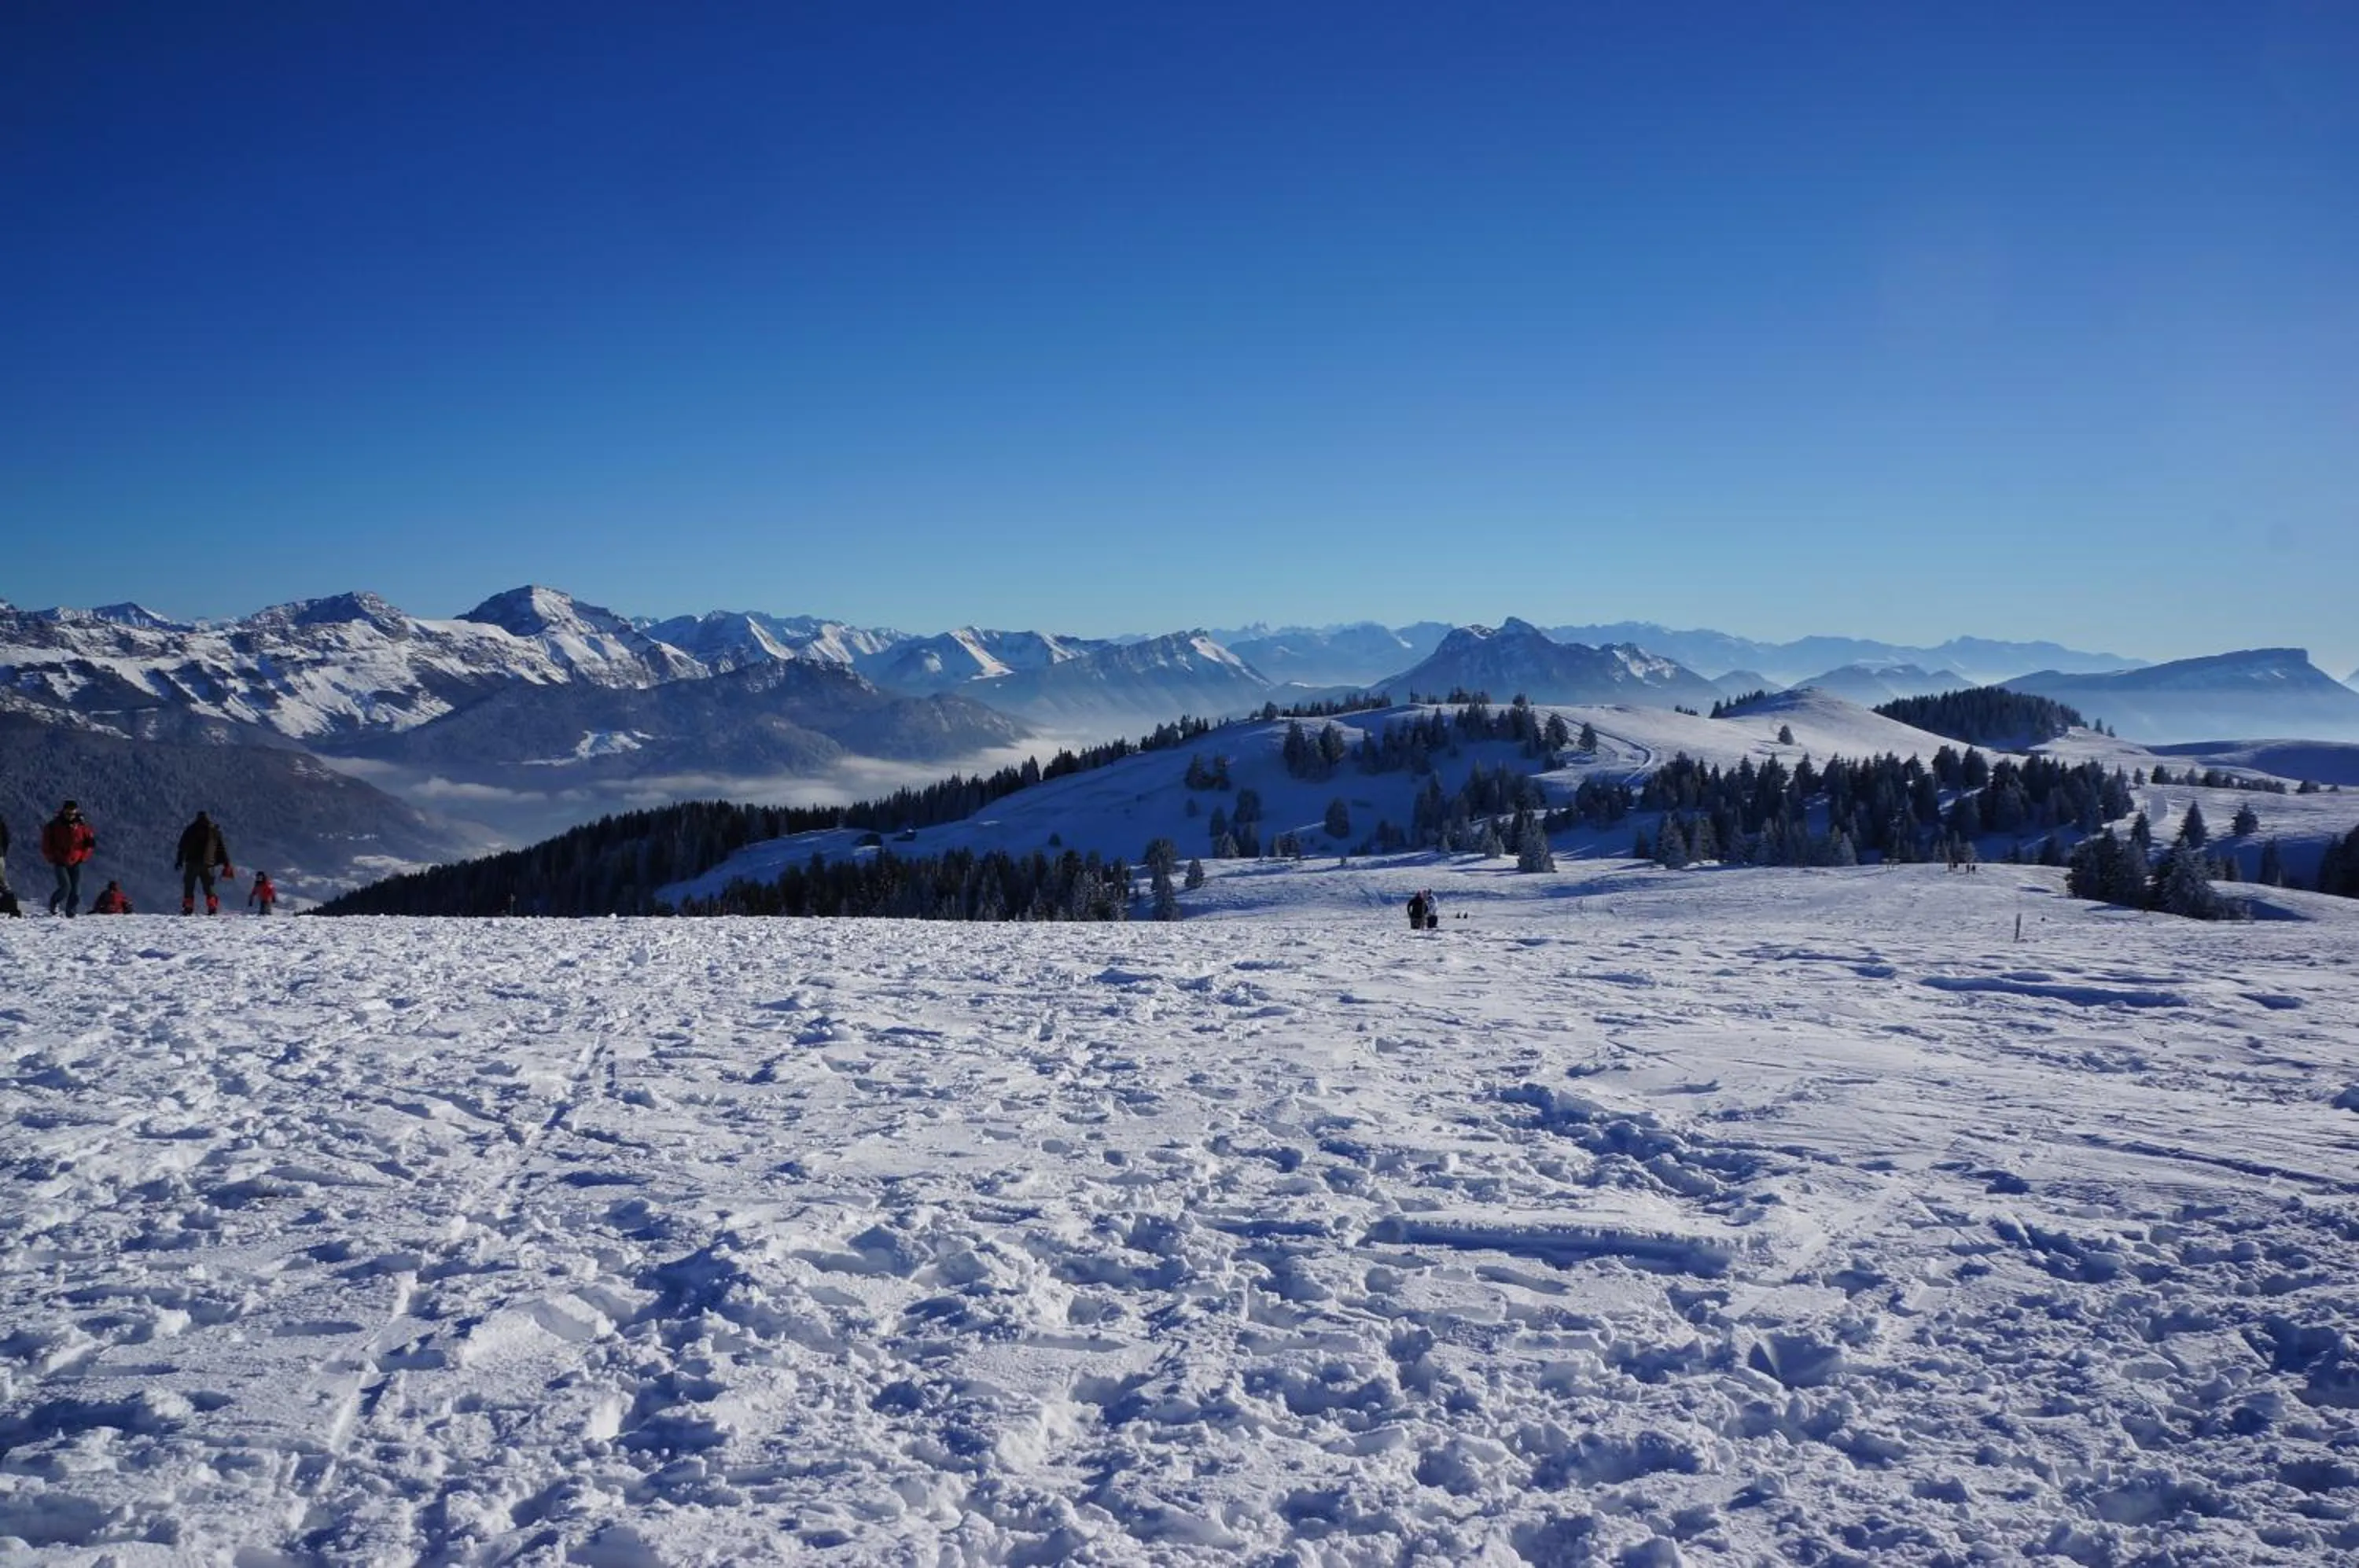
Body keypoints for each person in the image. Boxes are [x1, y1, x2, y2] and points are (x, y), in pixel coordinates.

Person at [42, 801, 97, 917]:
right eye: (68, 814)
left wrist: (83, 857)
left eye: (72, 814)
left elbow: (90, 844)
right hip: (60, 861)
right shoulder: (54, 826)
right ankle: (54, 902)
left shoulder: (83, 827)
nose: (70, 816)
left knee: (76, 890)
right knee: (65, 887)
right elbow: (46, 844)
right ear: (64, 812)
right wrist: (51, 857)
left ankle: (70, 912)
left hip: (76, 861)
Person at [175, 810, 234, 915]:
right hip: (208, 864)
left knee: (189, 886)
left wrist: (179, 861)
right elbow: (221, 849)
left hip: (192, 862)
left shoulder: (191, 829)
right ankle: (212, 907)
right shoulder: (214, 831)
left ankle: (188, 908)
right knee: (209, 887)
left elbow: (182, 846)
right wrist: (227, 864)